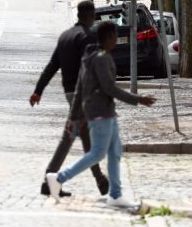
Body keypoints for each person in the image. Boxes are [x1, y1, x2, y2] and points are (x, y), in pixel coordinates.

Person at [46, 21, 156, 207]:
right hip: (100, 113)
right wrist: (138, 99)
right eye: (114, 35)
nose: (116, 39)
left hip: (105, 112)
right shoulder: (101, 58)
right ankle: (59, 178)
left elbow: (80, 88)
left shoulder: (89, 56)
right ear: (108, 37)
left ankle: (115, 194)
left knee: (114, 152)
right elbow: (109, 88)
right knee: (97, 153)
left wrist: (74, 116)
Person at [30, 1, 109, 197]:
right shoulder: (87, 37)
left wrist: (38, 90)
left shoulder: (65, 36)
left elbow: (52, 65)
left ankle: (100, 180)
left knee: (85, 137)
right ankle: (49, 180)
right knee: (69, 136)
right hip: (83, 95)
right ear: (90, 15)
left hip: (69, 92)